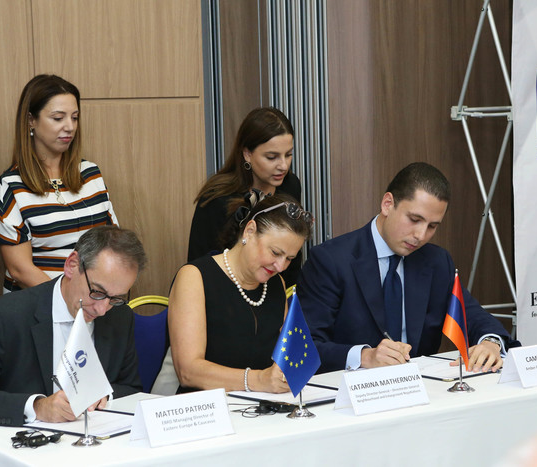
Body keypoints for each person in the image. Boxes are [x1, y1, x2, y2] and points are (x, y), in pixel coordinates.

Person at [298, 162, 519, 373]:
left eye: (432, 226)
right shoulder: (331, 260)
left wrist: (491, 342)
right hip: (351, 390)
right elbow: (305, 346)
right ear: (387, 204)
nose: (421, 235)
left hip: (420, 387)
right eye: (414, 219)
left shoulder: (436, 261)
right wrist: (365, 356)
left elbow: (470, 314)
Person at [0, 226, 145, 426]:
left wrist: (105, 395)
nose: (102, 309)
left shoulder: (120, 316)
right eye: (97, 292)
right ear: (72, 265)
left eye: (116, 298)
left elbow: (131, 389)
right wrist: (37, 407)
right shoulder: (7, 316)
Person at [170, 195, 313, 393]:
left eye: (289, 258)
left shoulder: (276, 284)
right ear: (250, 231)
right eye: (275, 252)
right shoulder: (194, 277)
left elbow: (285, 357)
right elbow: (188, 372)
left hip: (263, 404)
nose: (280, 267)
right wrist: (259, 380)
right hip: (206, 406)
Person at [0, 74, 118, 293]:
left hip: (96, 301)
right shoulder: (11, 185)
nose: (70, 127)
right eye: (58, 118)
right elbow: (20, 270)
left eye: (75, 118)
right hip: (40, 303)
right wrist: (70, 299)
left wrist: (98, 297)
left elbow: (113, 243)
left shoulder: (91, 173)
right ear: (31, 120)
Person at [187, 107, 303, 286]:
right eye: (272, 157)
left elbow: (292, 254)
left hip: (277, 289)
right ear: (247, 154)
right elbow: (199, 268)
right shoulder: (217, 199)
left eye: (288, 155)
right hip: (226, 292)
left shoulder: (290, 186)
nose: (283, 166)